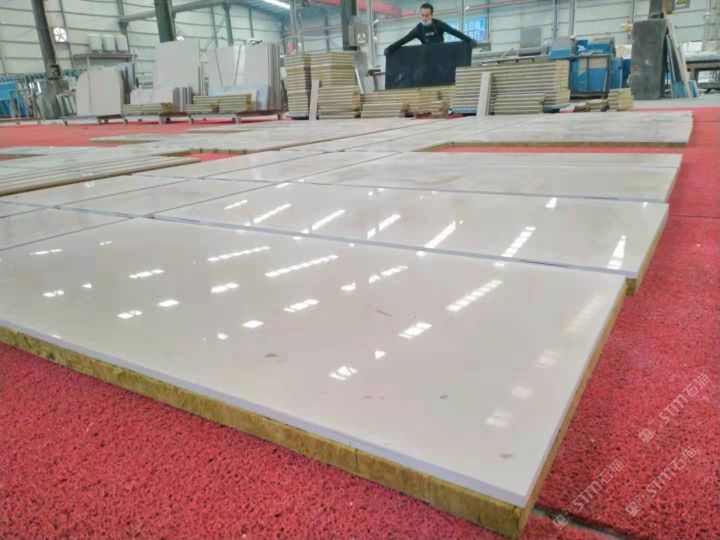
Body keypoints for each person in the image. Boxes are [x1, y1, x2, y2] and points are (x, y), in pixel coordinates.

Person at [383, 3, 476, 56]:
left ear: (431, 15)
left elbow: (455, 32)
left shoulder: (439, 24)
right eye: (422, 15)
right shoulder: (418, 29)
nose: (424, 18)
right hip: (427, 57)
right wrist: (390, 49)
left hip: (441, 55)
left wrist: (469, 40)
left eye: (427, 15)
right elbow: (404, 40)